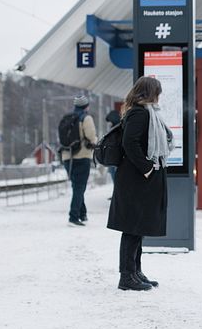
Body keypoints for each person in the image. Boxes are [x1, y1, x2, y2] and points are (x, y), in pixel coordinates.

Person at [107, 76, 172, 291]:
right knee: (132, 227)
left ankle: (135, 271)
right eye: (157, 92)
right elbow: (129, 143)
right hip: (136, 178)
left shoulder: (147, 113)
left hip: (140, 178)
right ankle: (126, 276)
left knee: (139, 226)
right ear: (150, 93)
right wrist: (146, 167)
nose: (159, 97)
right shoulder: (139, 113)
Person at [61, 95, 97, 226]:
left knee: (77, 186)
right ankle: (73, 217)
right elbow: (91, 137)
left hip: (66, 156)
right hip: (81, 156)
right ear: (86, 106)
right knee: (79, 187)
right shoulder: (86, 118)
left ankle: (82, 214)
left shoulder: (67, 118)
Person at [105, 109, 121, 184]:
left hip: (114, 159)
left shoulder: (115, 130)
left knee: (116, 181)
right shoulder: (119, 128)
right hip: (114, 159)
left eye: (110, 122)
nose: (109, 124)